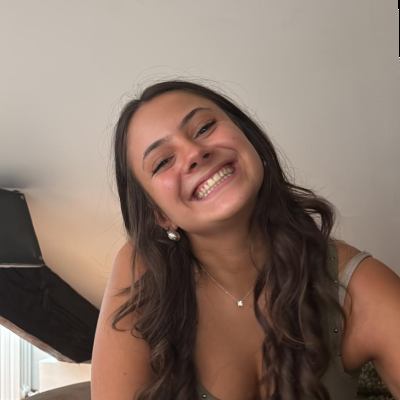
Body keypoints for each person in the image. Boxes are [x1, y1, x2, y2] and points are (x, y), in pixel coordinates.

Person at [91, 80, 400, 400]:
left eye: (204, 127)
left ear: (251, 140)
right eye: (162, 162)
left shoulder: (356, 286)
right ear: (159, 215)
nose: (195, 153)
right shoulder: (142, 272)